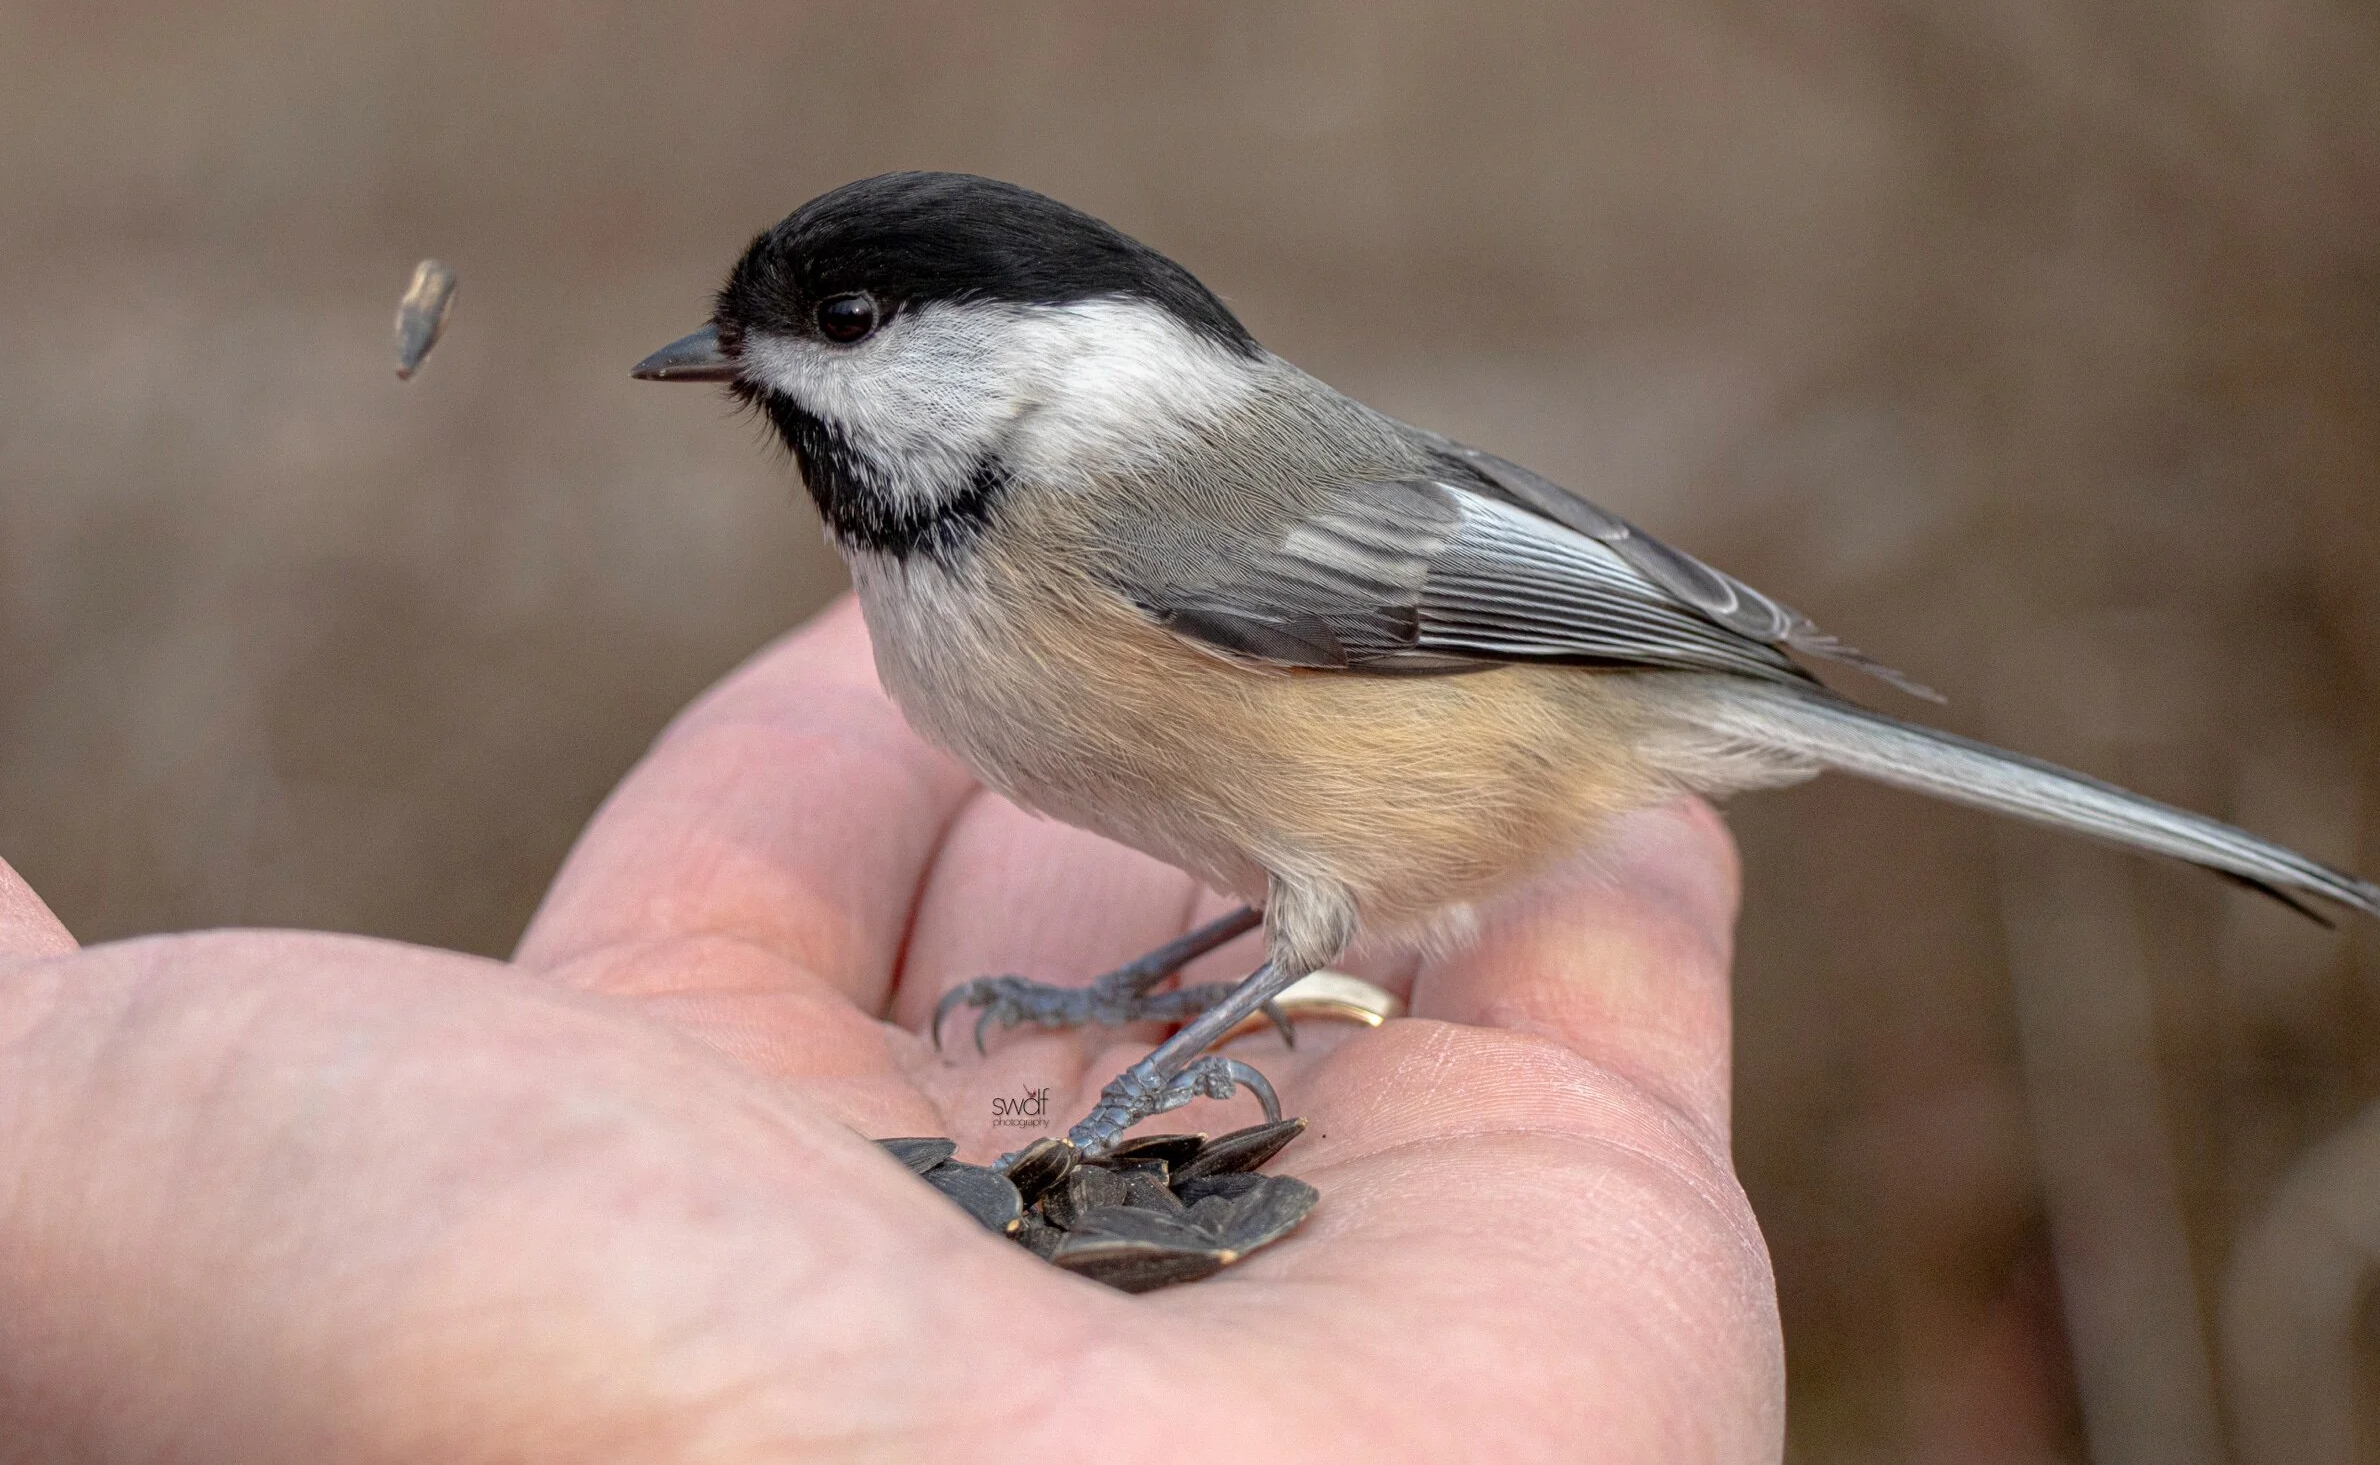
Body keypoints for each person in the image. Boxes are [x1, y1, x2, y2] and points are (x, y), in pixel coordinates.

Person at [0, 601, 1782, 1462]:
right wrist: (1110, 1016)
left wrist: (1140, 1075)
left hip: (1534, 687)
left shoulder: (1126, 509)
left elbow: (1440, 626)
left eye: (845, 324)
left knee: (1293, 917)